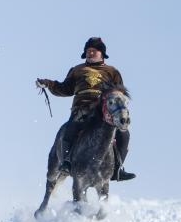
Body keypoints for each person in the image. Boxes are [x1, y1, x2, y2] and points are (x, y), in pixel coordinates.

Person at [36, 36, 135, 181]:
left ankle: (117, 169)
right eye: (88, 50)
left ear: (102, 53)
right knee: (70, 129)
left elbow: (119, 93)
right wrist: (49, 84)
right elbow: (65, 89)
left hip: (104, 114)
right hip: (81, 110)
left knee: (124, 134)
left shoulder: (112, 71)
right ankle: (67, 162)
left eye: (94, 50)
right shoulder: (77, 70)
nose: (90, 53)